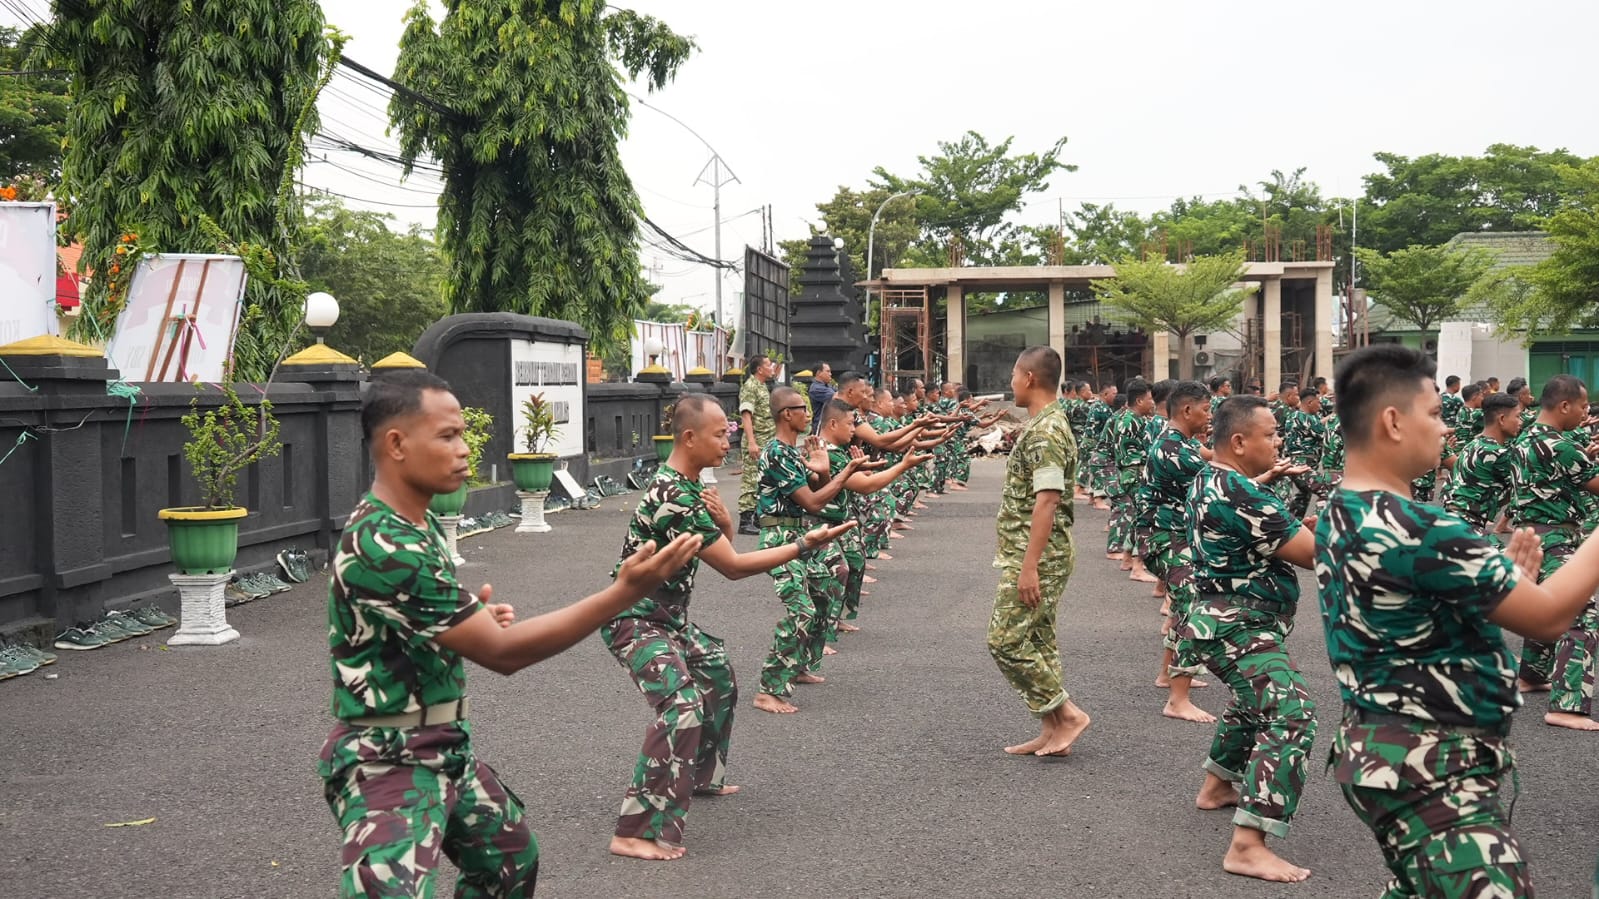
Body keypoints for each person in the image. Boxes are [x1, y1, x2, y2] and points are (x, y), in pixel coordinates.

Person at [318, 370, 702, 893]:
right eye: (448, 435)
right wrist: (624, 592)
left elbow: (412, 625)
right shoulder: (383, 542)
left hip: (443, 745)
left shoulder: (415, 523)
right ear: (396, 444)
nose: (464, 448)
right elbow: (504, 655)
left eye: (463, 434)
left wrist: (469, 622)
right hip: (388, 761)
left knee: (508, 861)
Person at [1316, 345, 1599, 896]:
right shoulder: (1420, 526)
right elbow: (1547, 618)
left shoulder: (1343, 507)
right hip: (1430, 765)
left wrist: (1505, 580)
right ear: (1393, 421)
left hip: (1382, 751)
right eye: (1436, 414)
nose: (1447, 429)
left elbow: (1416, 608)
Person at [603, 394, 854, 861]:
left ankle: (697, 776)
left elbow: (721, 550)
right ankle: (634, 830)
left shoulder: (692, 489)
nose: (729, 439)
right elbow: (734, 568)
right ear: (690, 438)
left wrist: (723, 522)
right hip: (633, 620)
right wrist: (805, 543)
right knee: (681, 706)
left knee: (717, 674)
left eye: (728, 432)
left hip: (668, 619)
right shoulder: (674, 494)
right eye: (720, 433)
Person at [1182, 394, 1319, 883]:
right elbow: (1311, 553)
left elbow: (1260, 516)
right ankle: (1247, 845)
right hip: (1235, 624)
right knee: (1292, 713)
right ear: (1239, 442)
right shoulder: (1240, 492)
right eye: (1271, 433)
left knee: (1252, 700)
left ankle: (1217, 787)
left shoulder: (1213, 477)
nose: (1279, 440)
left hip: (1219, 621)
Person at [989, 346, 1091, 757]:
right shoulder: (1045, 424)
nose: (1011, 383)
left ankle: (1066, 714)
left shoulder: (1047, 431)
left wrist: (1029, 566)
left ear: (1029, 378)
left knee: (1005, 640)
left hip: (1038, 555)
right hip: (1038, 552)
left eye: (1014, 374)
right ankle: (1052, 729)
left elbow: (1047, 500)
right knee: (1039, 638)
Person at [754, 387, 869, 713]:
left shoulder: (792, 452)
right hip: (777, 537)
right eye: (801, 408)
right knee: (801, 609)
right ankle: (768, 689)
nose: (809, 414)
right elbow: (813, 502)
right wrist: (844, 473)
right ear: (786, 414)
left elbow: (818, 490)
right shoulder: (776, 452)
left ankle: (798, 664)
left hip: (798, 535)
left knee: (825, 591)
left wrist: (823, 470)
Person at [1506, 373, 1599, 729]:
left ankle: (1531, 675)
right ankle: (1567, 705)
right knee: (1580, 616)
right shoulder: (1560, 445)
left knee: (1541, 604)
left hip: (1533, 534)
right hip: (1555, 535)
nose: (1584, 410)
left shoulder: (1529, 435)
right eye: (1581, 404)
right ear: (1564, 406)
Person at [1137, 380, 1215, 724]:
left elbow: (1211, 462)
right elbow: (1218, 481)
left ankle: (1168, 675)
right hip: (1166, 537)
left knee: (1183, 605)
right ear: (1187, 410)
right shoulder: (1174, 449)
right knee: (1193, 605)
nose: (1209, 416)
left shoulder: (1179, 442)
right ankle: (1177, 699)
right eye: (1206, 409)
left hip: (1170, 535)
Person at [1442, 391, 1523, 537]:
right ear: (1502, 419)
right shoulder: (1498, 454)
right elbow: (1523, 489)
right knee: (1509, 558)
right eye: (1517, 416)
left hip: (1451, 522)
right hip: (1466, 528)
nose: (1520, 422)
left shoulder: (1473, 444)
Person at [1107, 379, 1157, 582]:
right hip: (1134, 472)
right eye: (1149, 399)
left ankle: (1127, 557)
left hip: (1128, 472)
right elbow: (1142, 451)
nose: (1152, 403)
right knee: (1146, 518)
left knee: (1138, 516)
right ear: (1139, 400)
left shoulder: (1125, 417)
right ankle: (1138, 566)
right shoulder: (1134, 421)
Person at [737, 355, 778, 535]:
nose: (772, 367)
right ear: (759, 369)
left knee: (762, 479)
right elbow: (746, 415)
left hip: (766, 440)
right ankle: (745, 521)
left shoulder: (762, 386)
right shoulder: (750, 386)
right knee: (751, 481)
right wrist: (751, 442)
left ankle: (757, 517)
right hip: (756, 442)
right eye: (769, 364)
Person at [807, 362, 836, 433]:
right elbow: (838, 397)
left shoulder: (827, 386)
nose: (830, 374)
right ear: (819, 373)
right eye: (828, 371)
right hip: (821, 427)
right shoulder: (816, 388)